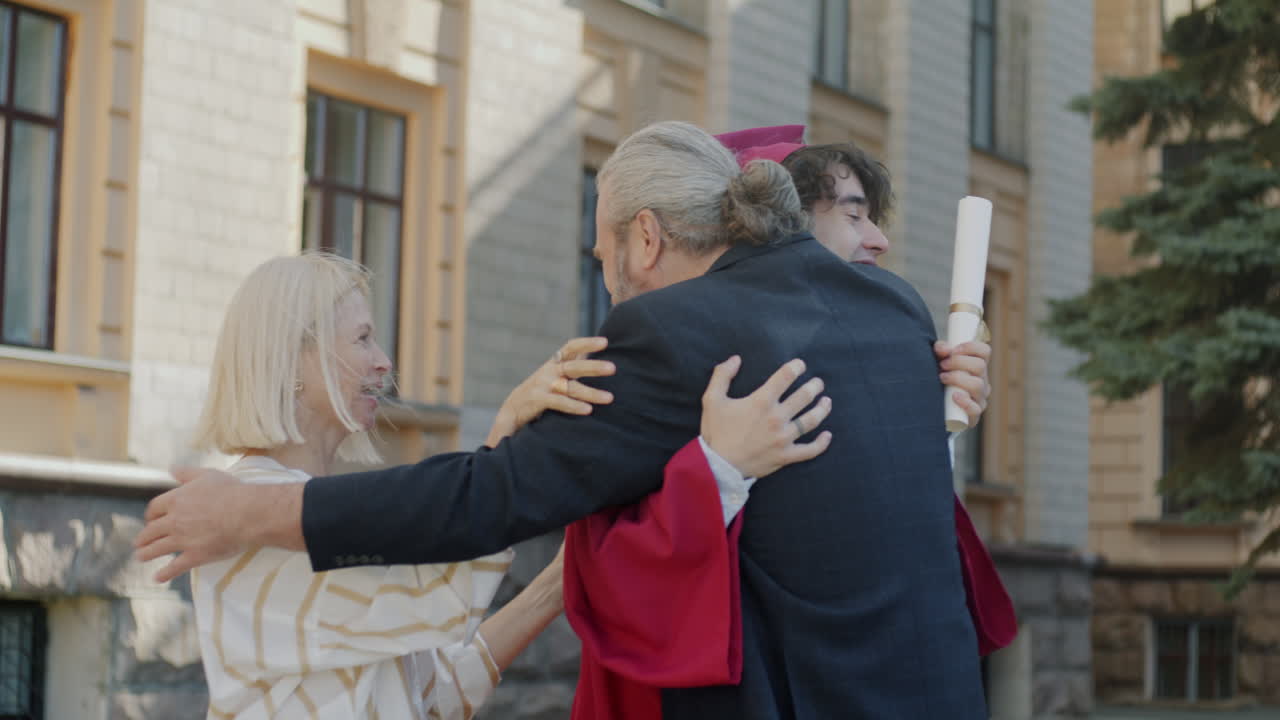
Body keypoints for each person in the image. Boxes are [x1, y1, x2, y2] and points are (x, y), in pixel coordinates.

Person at [138, 121, 989, 718]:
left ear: (645, 239)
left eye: (603, 260)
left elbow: (488, 500)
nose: (609, 287)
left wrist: (251, 512)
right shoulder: (895, 307)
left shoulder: (671, 330)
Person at [184, 251, 832, 719]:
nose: (384, 361)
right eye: (361, 339)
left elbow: (435, 695)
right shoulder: (246, 518)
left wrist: (566, 578)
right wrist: (505, 445)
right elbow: (435, 596)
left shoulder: (306, 508)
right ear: (291, 361)